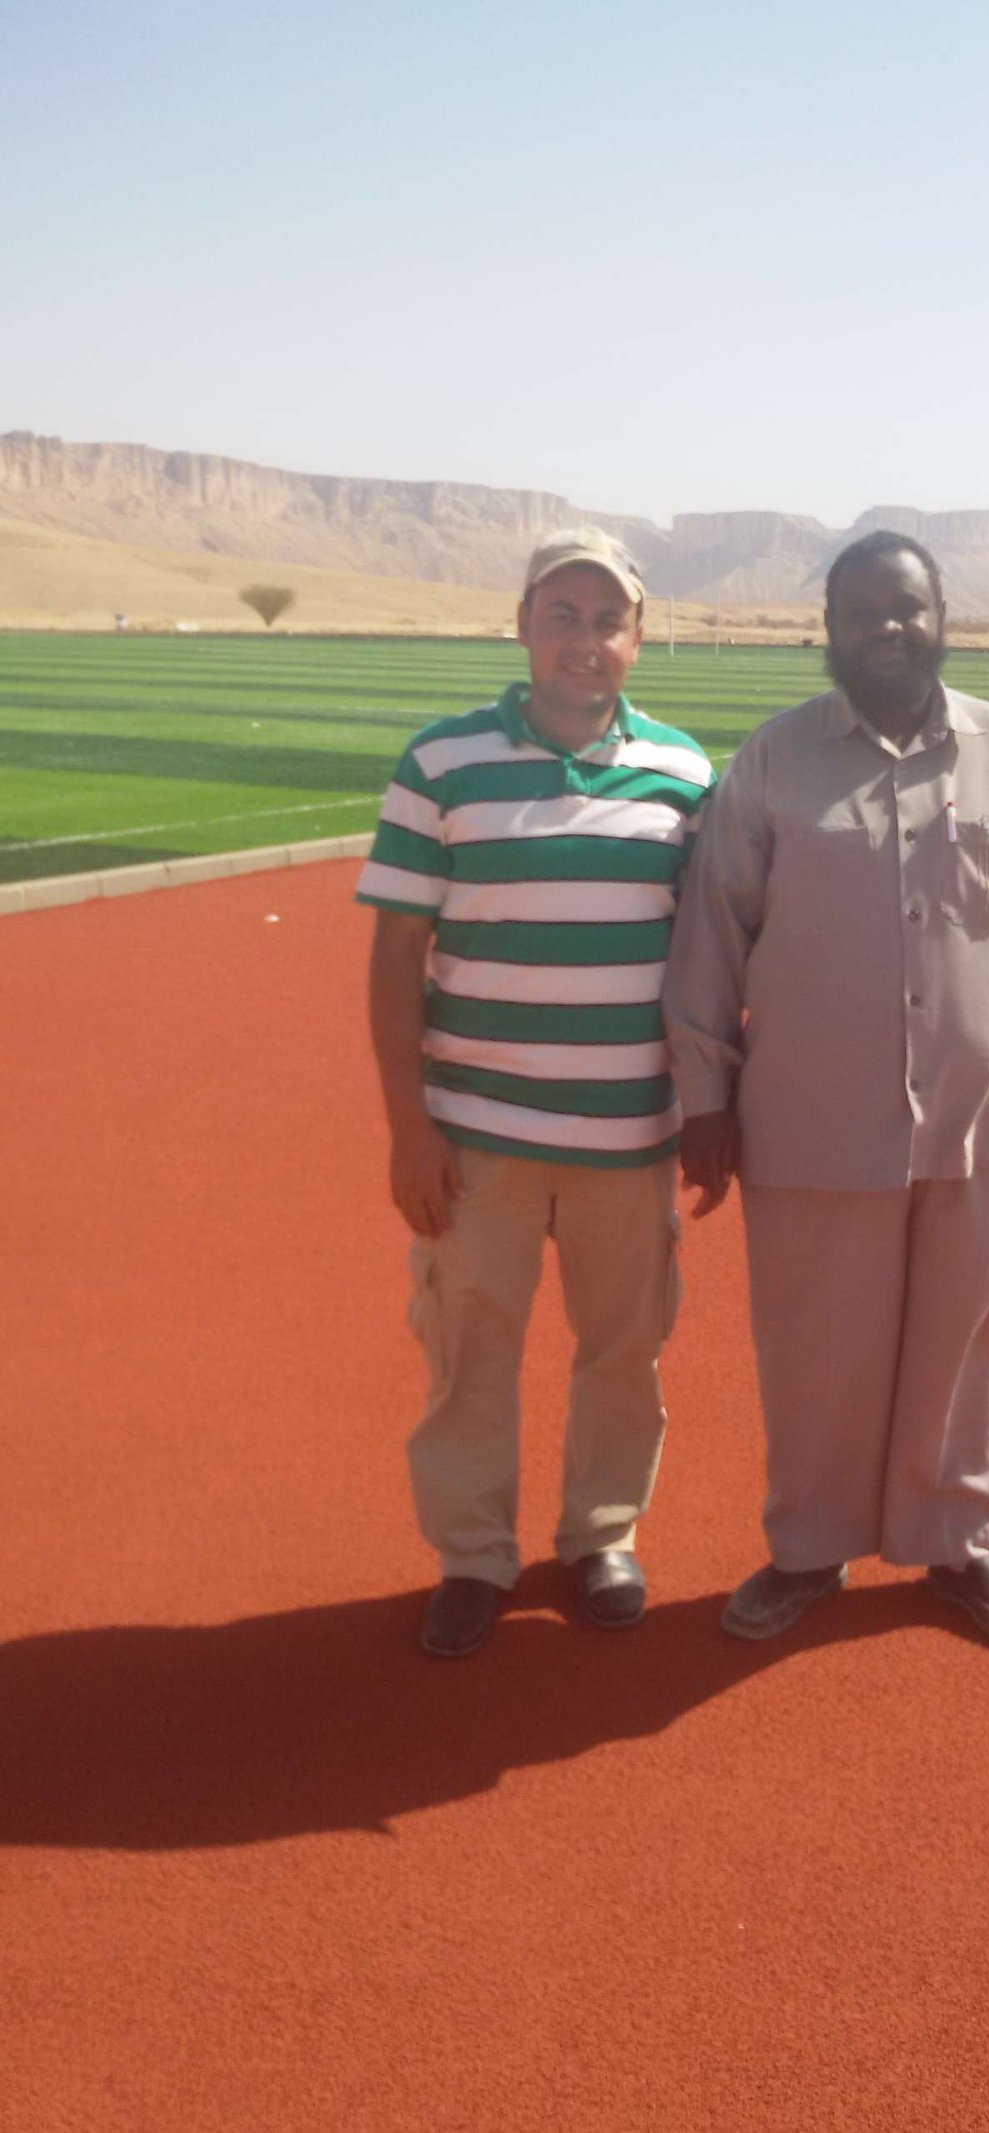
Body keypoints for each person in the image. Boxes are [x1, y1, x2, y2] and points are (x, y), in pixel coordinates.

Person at [662, 532, 989, 1656]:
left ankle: (954, 1543)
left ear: (940, 617)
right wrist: (704, 1097)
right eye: (862, 609)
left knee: (962, 1343)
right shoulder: (774, 760)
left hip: (986, 1110)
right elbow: (711, 930)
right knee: (816, 1344)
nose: (888, 626)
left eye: (907, 606)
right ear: (827, 628)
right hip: (814, 1117)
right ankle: (808, 1548)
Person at [358, 530, 714, 1656]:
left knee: (624, 1352)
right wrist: (408, 1128)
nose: (584, 640)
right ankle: (473, 1555)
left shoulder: (685, 775)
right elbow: (395, 953)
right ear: (521, 626)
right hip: (479, 1137)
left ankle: (601, 1534)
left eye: (608, 621)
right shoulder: (443, 761)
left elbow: (714, 957)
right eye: (562, 615)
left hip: (629, 1136)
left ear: (638, 639)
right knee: (470, 1353)